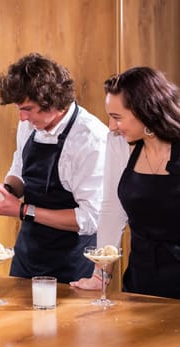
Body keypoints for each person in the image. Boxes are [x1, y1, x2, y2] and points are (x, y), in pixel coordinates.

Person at [0, 53, 108, 283]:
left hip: (72, 262)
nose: (21, 117)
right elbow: (20, 166)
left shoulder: (91, 139)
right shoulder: (29, 125)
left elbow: (90, 219)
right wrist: (6, 192)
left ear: (54, 102)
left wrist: (21, 210)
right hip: (28, 253)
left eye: (27, 108)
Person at [71, 67, 180, 299]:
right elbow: (112, 210)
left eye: (117, 117)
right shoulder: (118, 143)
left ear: (146, 111)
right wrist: (100, 275)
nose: (111, 127)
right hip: (142, 277)